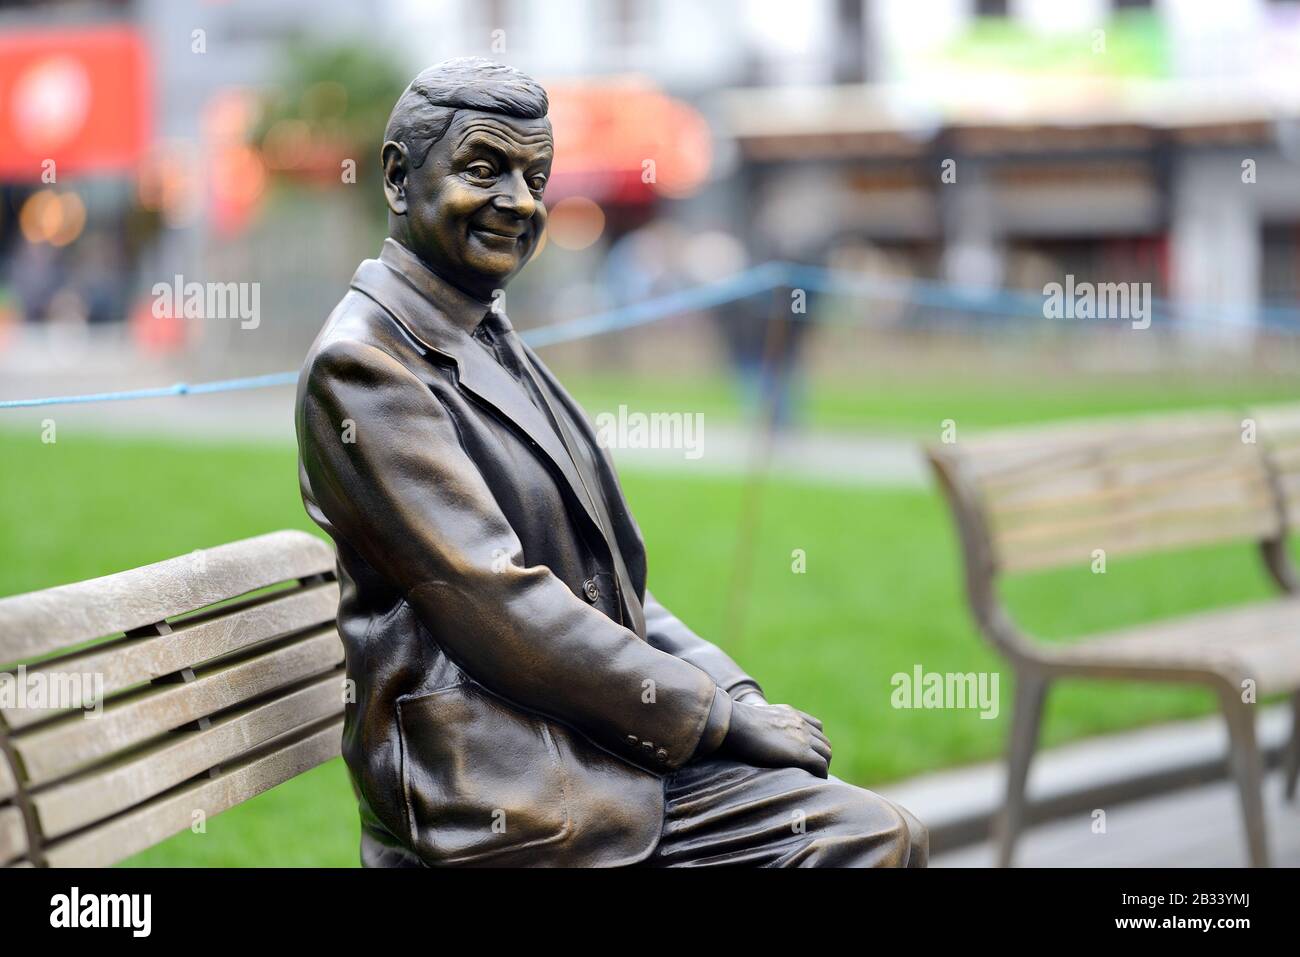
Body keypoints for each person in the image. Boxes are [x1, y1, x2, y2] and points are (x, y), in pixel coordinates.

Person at [295, 57, 926, 867]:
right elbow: (496, 602)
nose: (518, 201)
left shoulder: (487, 332)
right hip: (496, 790)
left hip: (590, 748)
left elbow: (611, 584)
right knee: (863, 844)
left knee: (871, 829)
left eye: (537, 176)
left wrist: (729, 694)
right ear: (396, 176)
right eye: (484, 169)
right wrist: (718, 722)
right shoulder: (366, 366)